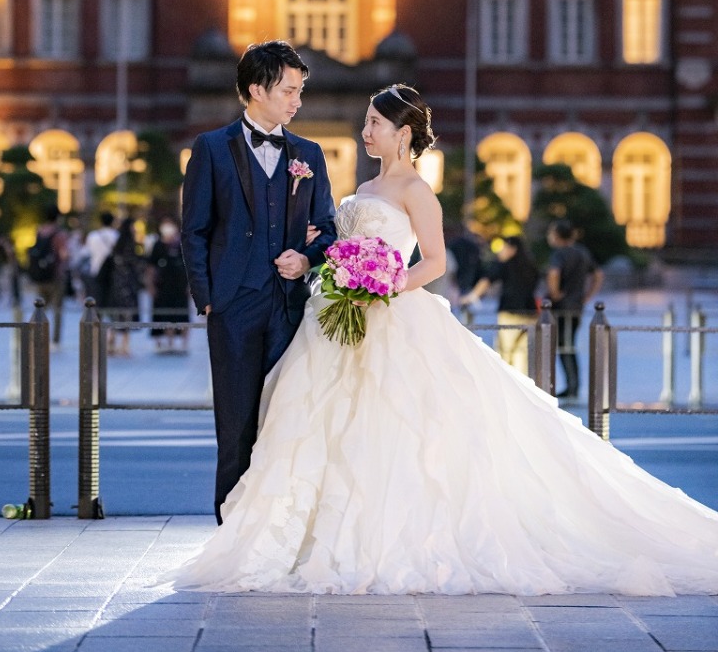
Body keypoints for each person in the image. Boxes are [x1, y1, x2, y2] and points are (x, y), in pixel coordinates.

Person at [162, 83, 718, 596]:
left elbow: (434, 261)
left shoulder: (416, 190)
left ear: (402, 133)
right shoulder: (364, 186)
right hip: (336, 314)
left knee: (395, 430)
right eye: (365, 122)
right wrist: (327, 252)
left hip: (392, 313)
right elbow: (340, 237)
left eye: (374, 122)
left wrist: (385, 284)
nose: (365, 131)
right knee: (317, 422)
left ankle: (384, 537)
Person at [181, 39, 337, 523]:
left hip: (290, 308)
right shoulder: (211, 148)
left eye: (299, 91)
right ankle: (231, 527)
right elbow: (195, 231)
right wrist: (209, 301)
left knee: (286, 421)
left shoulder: (309, 153)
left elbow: (329, 229)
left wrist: (307, 259)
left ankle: (279, 526)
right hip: (232, 306)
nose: (297, 101)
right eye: (289, 91)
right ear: (256, 90)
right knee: (235, 424)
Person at [460, 235, 539, 375]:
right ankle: (522, 386)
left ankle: (509, 386)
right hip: (531, 313)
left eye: (504, 248)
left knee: (506, 352)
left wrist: (471, 297)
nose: (501, 252)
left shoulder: (505, 265)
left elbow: (487, 280)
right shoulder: (531, 265)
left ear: (512, 249)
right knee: (523, 354)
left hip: (510, 312)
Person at [546, 218, 604, 401]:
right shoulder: (583, 253)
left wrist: (554, 292)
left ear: (557, 236)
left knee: (564, 345)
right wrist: (587, 295)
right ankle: (573, 384)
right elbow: (598, 274)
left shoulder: (559, 254)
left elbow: (553, 273)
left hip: (562, 306)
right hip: (577, 305)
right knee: (569, 344)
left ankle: (572, 386)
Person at [27, 205, 69, 349]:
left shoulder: (40, 231)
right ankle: (55, 341)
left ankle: (38, 336)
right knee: (57, 309)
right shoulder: (59, 234)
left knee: (40, 307)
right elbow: (63, 254)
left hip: (40, 276)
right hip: (55, 275)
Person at [146, 218, 191, 353]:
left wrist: (192, 286)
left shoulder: (182, 244)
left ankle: (183, 343)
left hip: (180, 285)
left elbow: (190, 266)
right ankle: (167, 341)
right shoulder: (158, 245)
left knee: (182, 313)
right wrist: (150, 285)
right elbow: (151, 267)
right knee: (164, 311)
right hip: (163, 285)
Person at [103, 216, 144, 356]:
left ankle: (111, 341)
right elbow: (133, 263)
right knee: (127, 313)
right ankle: (124, 345)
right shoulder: (130, 244)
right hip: (128, 283)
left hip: (116, 282)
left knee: (117, 312)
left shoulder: (118, 244)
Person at [82, 211, 118, 306]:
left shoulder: (93, 236)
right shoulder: (117, 236)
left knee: (97, 301)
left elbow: (86, 252)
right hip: (112, 272)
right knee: (112, 302)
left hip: (96, 271)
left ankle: (97, 319)